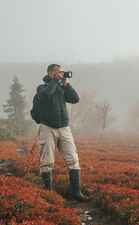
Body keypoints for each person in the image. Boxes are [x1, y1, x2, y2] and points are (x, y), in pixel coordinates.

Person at [35, 63, 86, 202]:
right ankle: (49, 194)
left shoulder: (61, 88)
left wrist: (65, 84)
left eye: (62, 72)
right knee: (47, 162)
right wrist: (55, 81)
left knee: (73, 160)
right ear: (50, 73)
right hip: (47, 127)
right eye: (58, 72)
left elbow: (75, 99)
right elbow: (45, 95)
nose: (61, 74)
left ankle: (76, 194)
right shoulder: (42, 87)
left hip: (64, 127)